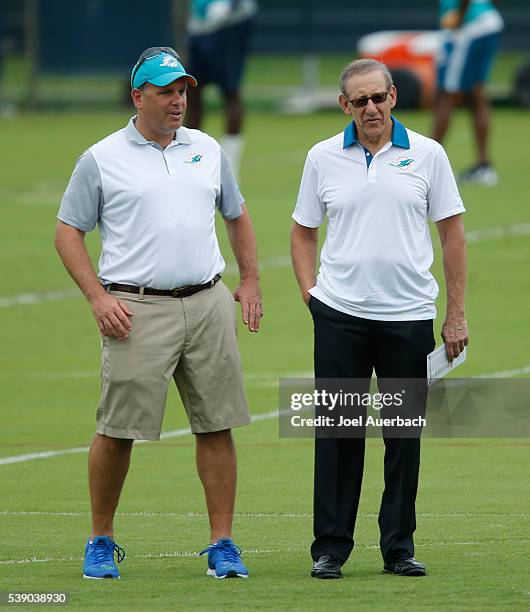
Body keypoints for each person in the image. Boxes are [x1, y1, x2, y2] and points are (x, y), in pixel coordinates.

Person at [54, 46, 262, 580]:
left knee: (217, 426)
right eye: (166, 91)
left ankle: (223, 544)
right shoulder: (101, 158)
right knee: (118, 429)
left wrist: (250, 281)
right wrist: (98, 298)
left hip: (208, 302)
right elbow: (67, 232)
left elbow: (236, 216)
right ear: (137, 96)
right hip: (136, 308)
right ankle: (101, 539)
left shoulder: (208, 149)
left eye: (183, 91)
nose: (178, 101)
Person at [291, 59, 468, 579]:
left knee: (402, 436)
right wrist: (312, 296)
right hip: (340, 315)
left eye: (379, 97)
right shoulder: (322, 157)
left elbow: (452, 235)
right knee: (338, 433)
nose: (371, 108)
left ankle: (398, 547)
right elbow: (303, 231)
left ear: (393, 96)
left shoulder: (429, 155)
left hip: (409, 315)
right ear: (345, 106)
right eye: (359, 101)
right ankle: (330, 548)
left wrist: (455, 313)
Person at [432, 0, 503, 186]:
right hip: (488, 23)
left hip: (469, 29)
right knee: (476, 93)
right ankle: (484, 166)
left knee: (446, 93)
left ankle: (428, 165)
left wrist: (460, 20)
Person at [185, 0, 258, 179]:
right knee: (191, 89)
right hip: (199, 24)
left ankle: (230, 167)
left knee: (230, 91)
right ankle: (192, 160)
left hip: (230, 23)